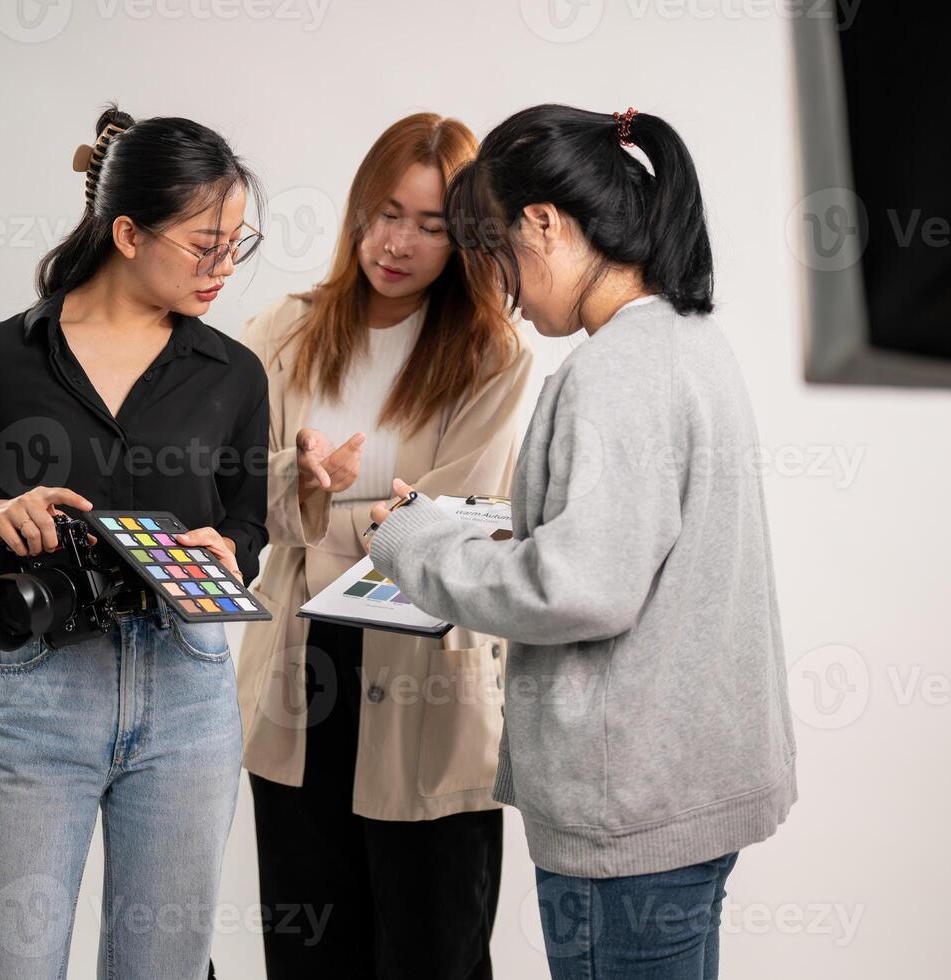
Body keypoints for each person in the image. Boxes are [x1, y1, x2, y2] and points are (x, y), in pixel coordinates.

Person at [366, 104, 797, 980]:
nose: (499, 289)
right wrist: (489, 528)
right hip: (689, 787)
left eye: (490, 253)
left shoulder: (609, 373)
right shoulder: (686, 340)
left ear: (544, 222)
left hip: (627, 809)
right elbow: (636, 548)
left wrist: (410, 541)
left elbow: (579, 589)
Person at [0, 104, 267, 980]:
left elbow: (252, 522)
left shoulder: (233, 373)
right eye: (203, 242)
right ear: (127, 233)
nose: (223, 266)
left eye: (236, 242)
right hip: (41, 694)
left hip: (189, 691)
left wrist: (229, 551)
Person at [236, 112, 533, 979]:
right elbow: (223, 491)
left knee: (431, 950)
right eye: (385, 213)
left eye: (431, 226)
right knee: (307, 953)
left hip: (423, 672)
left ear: (468, 238)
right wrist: (329, 501)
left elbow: (459, 521)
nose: (397, 243)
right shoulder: (285, 330)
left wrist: (308, 503)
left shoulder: (492, 354)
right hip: (301, 671)